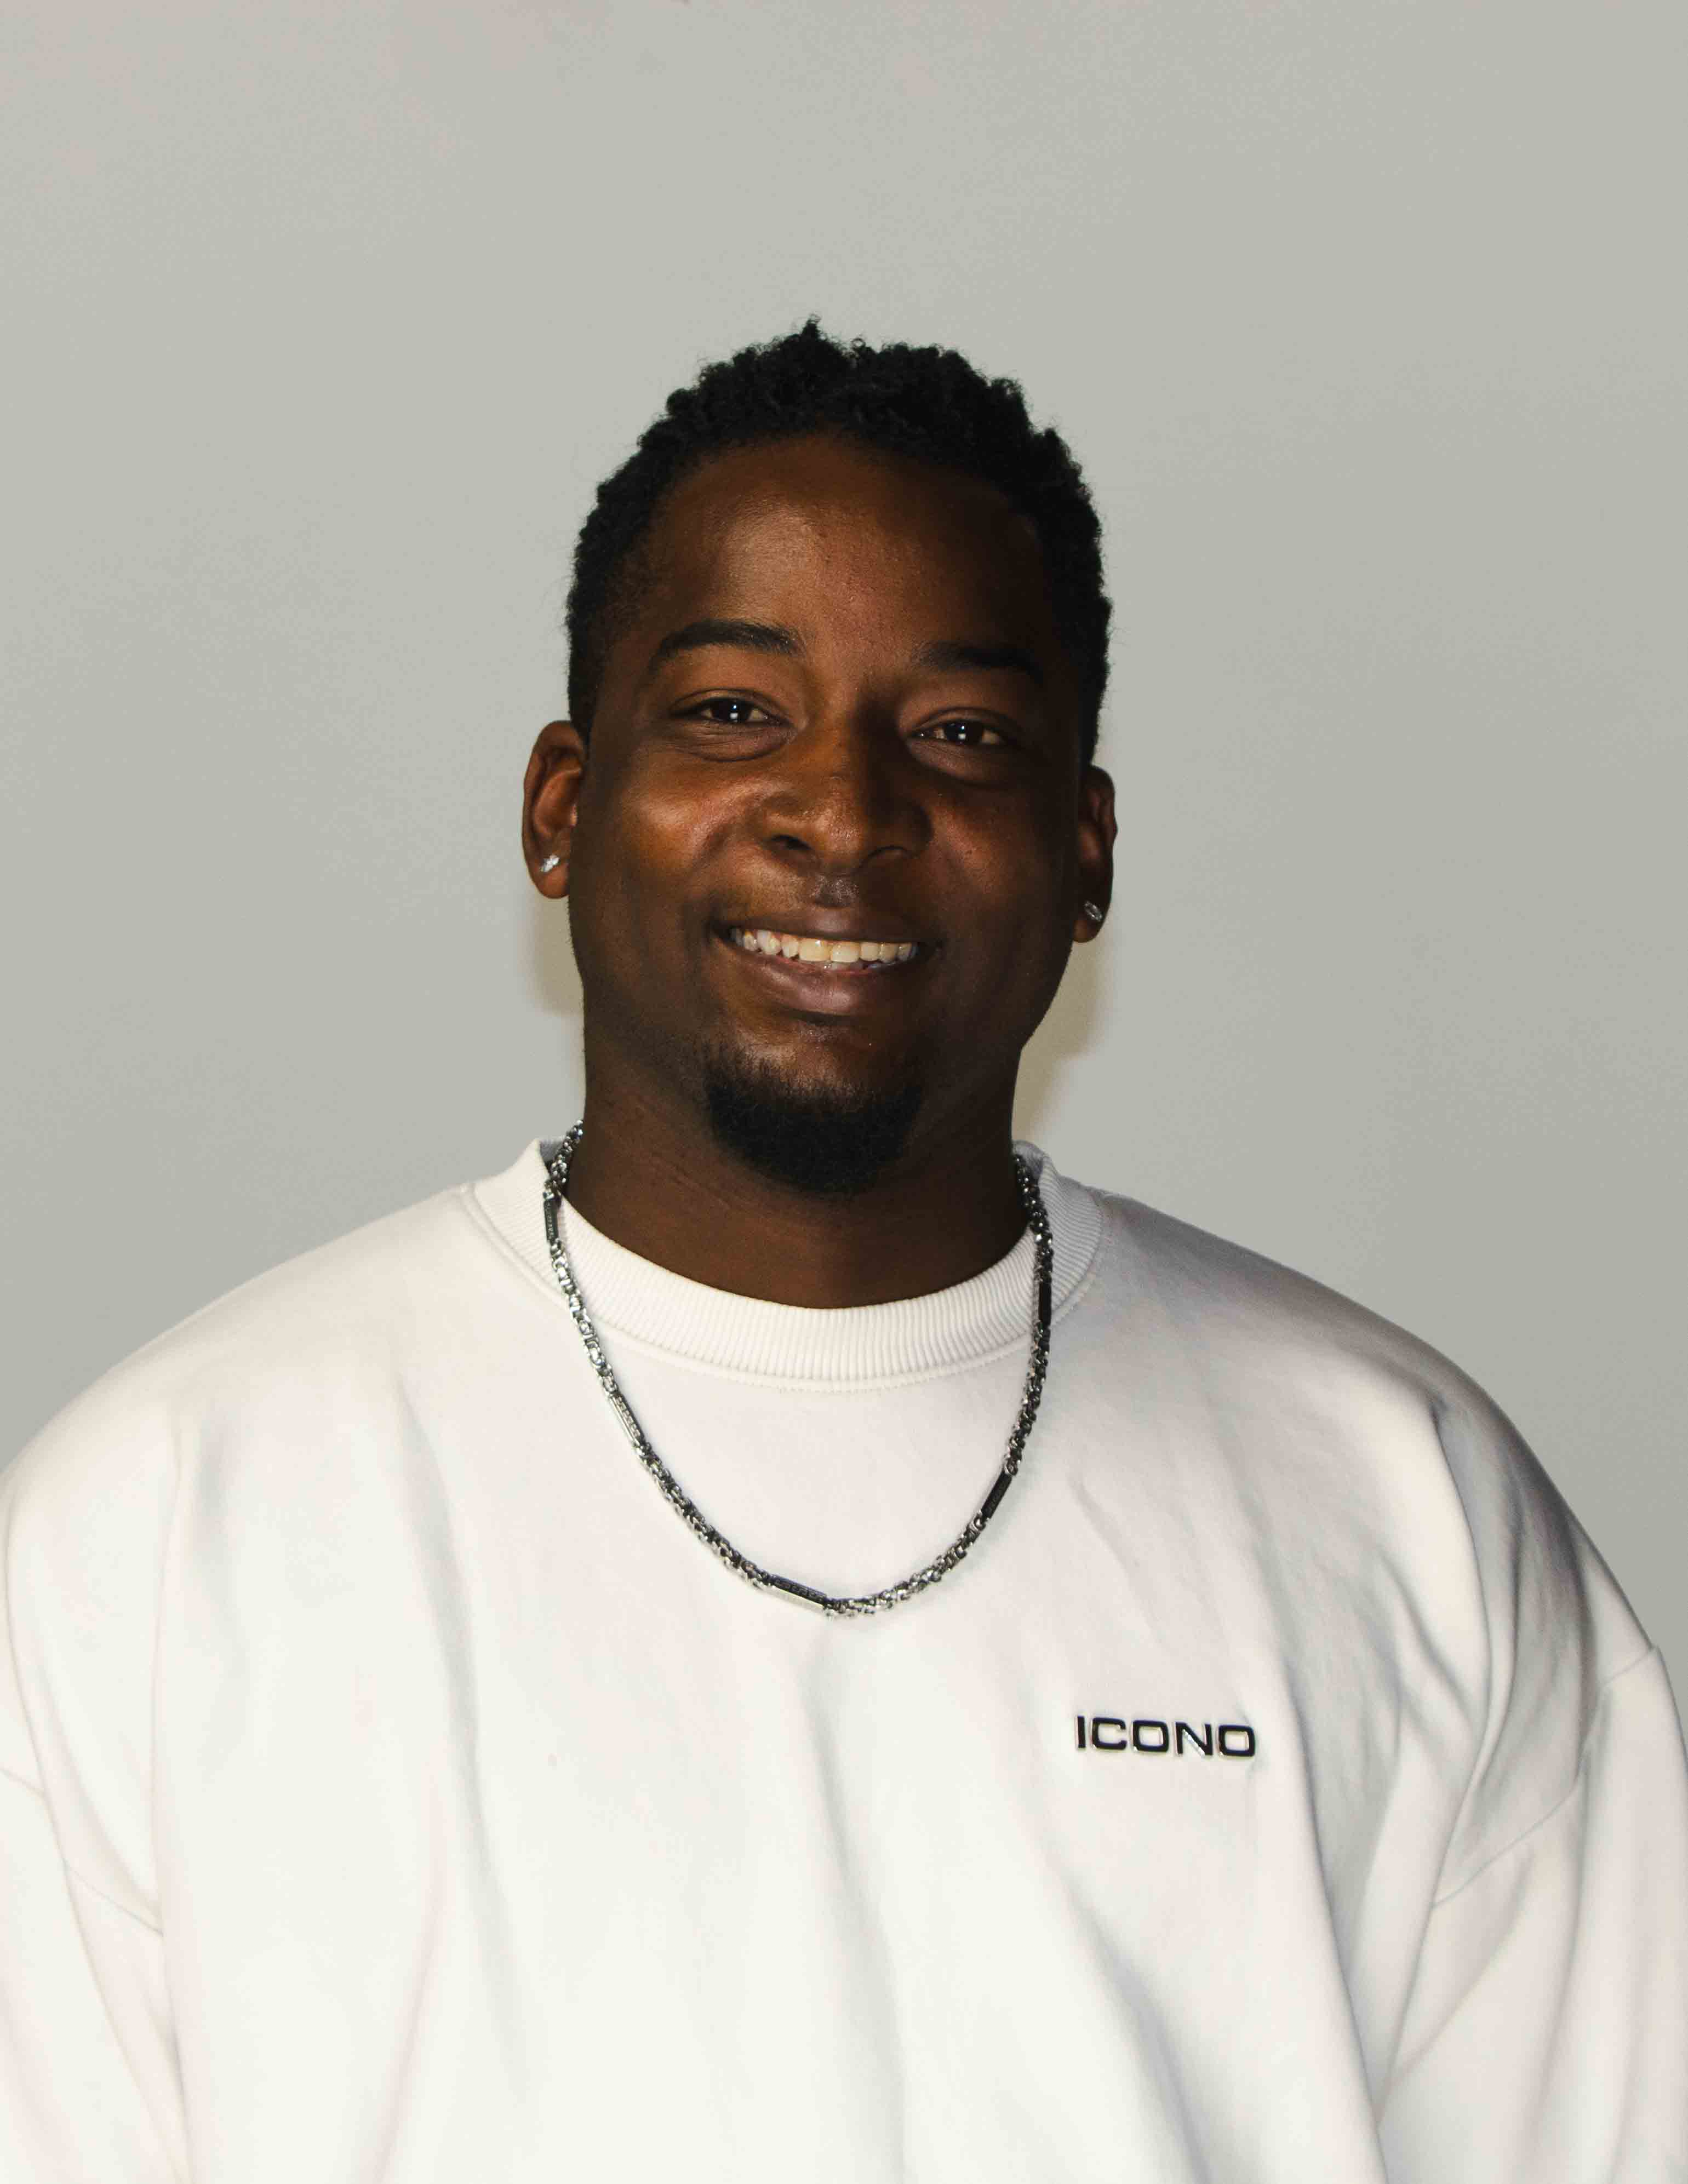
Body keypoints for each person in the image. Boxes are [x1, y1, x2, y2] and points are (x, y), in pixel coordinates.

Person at [2, 322, 1683, 2183]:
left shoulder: (1402, 1505)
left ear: (1086, 850)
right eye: (735, 710)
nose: (845, 814)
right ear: (562, 805)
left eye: (961, 734)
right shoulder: (160, 1521)